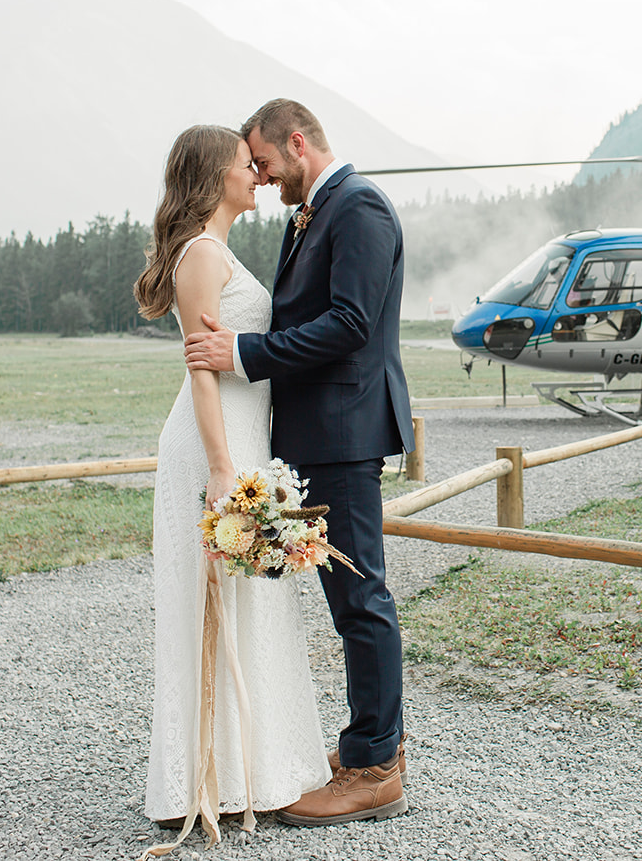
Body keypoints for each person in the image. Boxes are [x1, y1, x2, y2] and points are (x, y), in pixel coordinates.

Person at [184, 98, 413, 826]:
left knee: (360, 595)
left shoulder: (360, 209)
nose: (262, 175)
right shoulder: (310, 213)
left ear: (296, 141)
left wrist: (243, 354)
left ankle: (377, 767)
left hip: (347, 433)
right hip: (318, 434)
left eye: (265, 161)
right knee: (347, 599)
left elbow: (350, 324)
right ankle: (372, 741)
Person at [133, 125, 330, 847]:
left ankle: (251, 769)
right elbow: (203, 372)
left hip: (243, 444)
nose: (258, 172)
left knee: (252, 603)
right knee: (210, 603)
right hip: (213, 449)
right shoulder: (198, 258)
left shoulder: (218, 251)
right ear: (217, 174)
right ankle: (199, 780)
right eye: (247, 163)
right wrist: (222, 470)